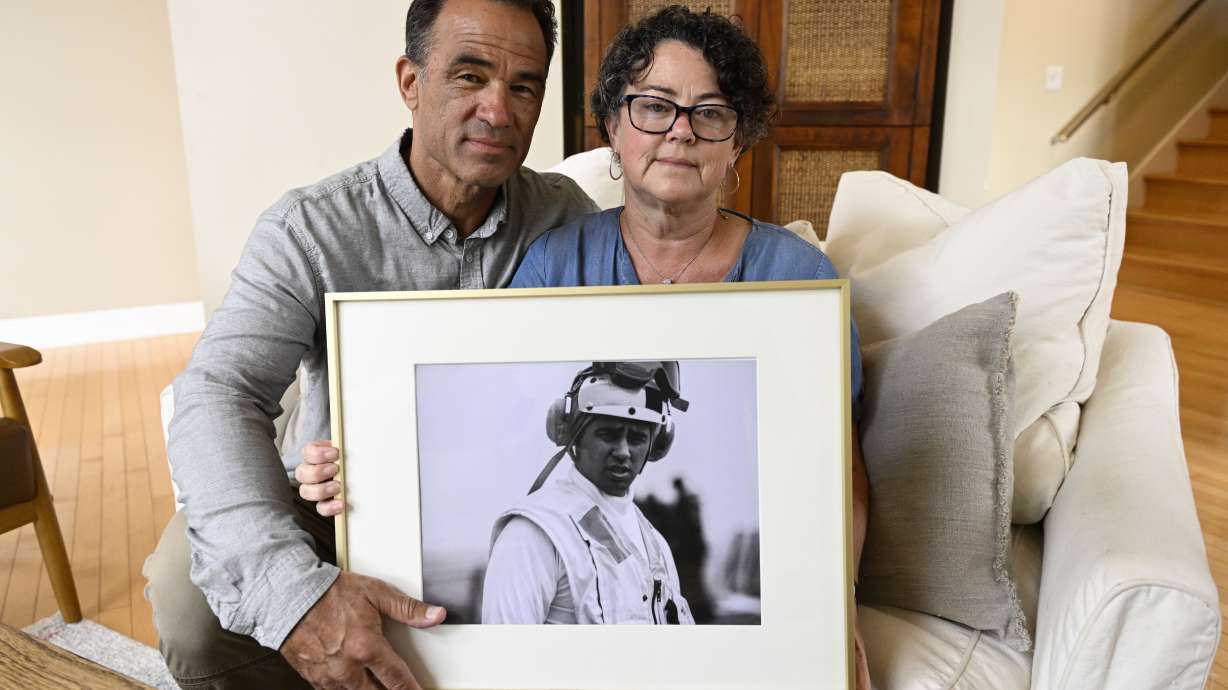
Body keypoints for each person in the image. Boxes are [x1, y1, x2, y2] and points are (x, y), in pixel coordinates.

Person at [143, 1, 597, 688]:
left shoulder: (568, 218)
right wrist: (291, 593)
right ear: (410, 82)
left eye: (524, 85)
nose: (500, 111)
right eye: (470, 76)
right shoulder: (310, 227)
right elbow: (218, 390)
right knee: (186, 597)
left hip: (504, 500)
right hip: (339, 501)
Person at [482, 361, 695, 625]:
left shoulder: (656, 545)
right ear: (575, 439)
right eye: (608, 434)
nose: (623, 451)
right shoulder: (534, 534)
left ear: (656, 445)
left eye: (637, 438)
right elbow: (505, 655)